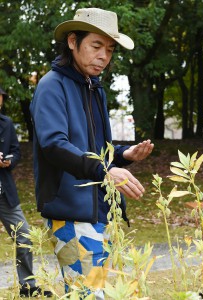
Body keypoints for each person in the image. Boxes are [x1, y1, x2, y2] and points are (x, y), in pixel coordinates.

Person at [30, 7, 154, 299]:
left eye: (110, 50)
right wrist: (105, 170)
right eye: (96, 46)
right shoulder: (51, 86)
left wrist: (124, 155)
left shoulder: (94, 88)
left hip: (102, 209)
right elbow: (54, 146)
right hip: (69, 211)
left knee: (106, 292)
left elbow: (97, 152)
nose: (104, 56)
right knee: (87, 294)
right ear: (73, 41)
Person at [0, 86, 52, 297]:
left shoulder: (7, 124)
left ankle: (28, 286)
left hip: (4, 192)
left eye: (0, 98)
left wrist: (8, 161)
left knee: (24, 237)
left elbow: (15, 152)